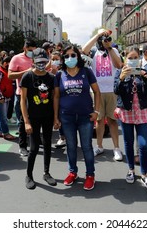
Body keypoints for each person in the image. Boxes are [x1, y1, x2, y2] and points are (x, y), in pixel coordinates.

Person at [53, 45, 101, 191]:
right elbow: (56, 96)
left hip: (85, 117)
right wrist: (56, 117)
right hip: (66, 117)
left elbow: (97, 92)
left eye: (73, 55)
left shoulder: (86, 72)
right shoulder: (59, 75)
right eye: (66, 56)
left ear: (78, 57)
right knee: (71, 147)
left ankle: (90, 175)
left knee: (86, 147)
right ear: (63, 59)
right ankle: (72, 172)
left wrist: (96, 112)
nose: (70, 58)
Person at [114, 46, 147, 190]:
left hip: (142, 112)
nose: (132, 61)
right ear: (125, 58)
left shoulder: (145, 72)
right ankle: (131, 170)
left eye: (135, 58)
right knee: (128, 142)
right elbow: (116, 91)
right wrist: (121, 78)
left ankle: (144, 174)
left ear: (139, 59)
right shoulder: (120, 72)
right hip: (127, 112)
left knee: (144, 145)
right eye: (129, 58)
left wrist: (146, 79)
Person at [82, 29, 123, 161]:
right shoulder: (93, 51)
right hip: (96, 91)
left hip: (111, 91)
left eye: (107, 38)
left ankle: (116, 148)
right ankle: (99, 146)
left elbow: (119, 65)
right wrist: (97, 35)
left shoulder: (114, 50)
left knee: (112, 120)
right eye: (103, 38)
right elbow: (83, 49)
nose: (105, 40)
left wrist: (110, 48)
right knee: (99, 121)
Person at [21, 48, 56, 189]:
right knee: (34, 147)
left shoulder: (51, 78)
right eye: (38, 61)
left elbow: (54, 98)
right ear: (33, 61)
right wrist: (26, 122)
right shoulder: (27, 77)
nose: (41, 63)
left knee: (47, 144)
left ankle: (46, 173)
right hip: (33, 118)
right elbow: (23, 100)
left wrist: (56, 118)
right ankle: (29, 175)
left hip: (47, 116)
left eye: (44, 61)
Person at [8, 40, 38, 156]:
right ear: (24, 48)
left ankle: (35, 143)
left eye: (34, 50)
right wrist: (27, 72)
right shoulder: (16, 58)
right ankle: (23, 146)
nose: (32, 53)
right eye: (30, 50)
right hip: (21, 94)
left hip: (36, 93)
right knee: (22, 121)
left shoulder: (38, 57)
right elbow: (10, 75)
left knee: (35, 120)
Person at [0, 56, 16, 140]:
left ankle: (0, 131)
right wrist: (0, 97)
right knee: (3, 116)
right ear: (6, 63)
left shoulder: (5, 70)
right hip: (1, 97)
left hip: (5, 96)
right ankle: (6, 133)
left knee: (1, 115)